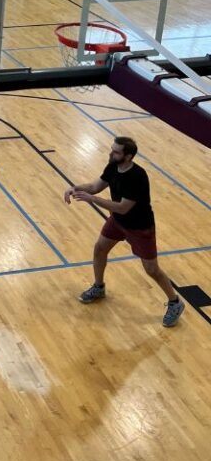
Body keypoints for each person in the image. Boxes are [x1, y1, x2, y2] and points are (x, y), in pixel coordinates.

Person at [64, 136, 185, 327]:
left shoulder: (137, 177)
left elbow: (122, 207)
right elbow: (95, 187)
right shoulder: (113, 166)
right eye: (112, 150)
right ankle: (98, 287)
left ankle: (175, 302)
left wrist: (92, 199)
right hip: (117, 222)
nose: (111, 153)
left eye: (116, 151)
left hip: (139, 227)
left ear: (128, 156)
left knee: (152, 269)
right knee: (100, 249)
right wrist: (75, 188)